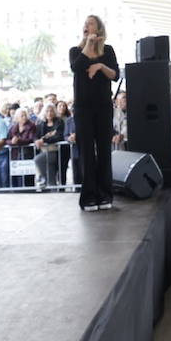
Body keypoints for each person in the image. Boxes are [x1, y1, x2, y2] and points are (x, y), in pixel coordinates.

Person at [69, 14, 119, 211]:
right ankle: (89, 196)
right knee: (87, 153)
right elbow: (76, 67)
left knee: (105, 151)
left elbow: (115, 74)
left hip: (103, 107)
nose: (86, 26)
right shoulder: (75, 50)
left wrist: (99, 66)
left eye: (90, 23)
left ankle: (105, 194)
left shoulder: (108, 50)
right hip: (83, 108)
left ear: (98, 28)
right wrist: (88, 45)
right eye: (84, 24)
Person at [34, 103, 68, 188]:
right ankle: (52, 187)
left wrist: (44, 140)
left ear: (54, 112)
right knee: (50, 170)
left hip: (56, 151)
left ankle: (46, 181)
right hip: (44, 150)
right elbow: (36, 136)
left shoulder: (59, 122)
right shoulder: (41, 123)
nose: (49, 113)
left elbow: (58, 137)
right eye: (47, 111)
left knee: (38, 159)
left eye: (51, 111)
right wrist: (37, 141)